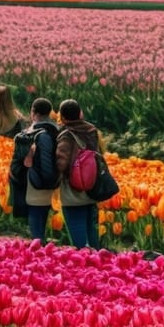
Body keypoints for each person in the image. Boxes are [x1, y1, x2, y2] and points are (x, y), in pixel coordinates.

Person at [53, 99, 106, 250]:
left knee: (79, 241)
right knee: (92, 231)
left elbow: (62, 163)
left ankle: (84, 266)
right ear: (80, 114)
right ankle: (100, 264)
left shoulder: (66, 135)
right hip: (92, 188)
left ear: (62, 117)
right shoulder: (92, 131)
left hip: (73, 192)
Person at [20, 98, 60, 241]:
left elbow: (29, 159)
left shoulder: (35, 133)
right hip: (55, 180)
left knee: (36, 213)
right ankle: (41, 245)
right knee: (43, 212)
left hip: (37, 180)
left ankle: (38, 249)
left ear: (33, 112)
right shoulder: (57, 130)